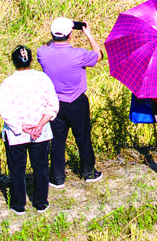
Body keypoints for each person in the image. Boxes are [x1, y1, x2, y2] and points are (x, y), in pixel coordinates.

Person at [37, 18, 103, 187]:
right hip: (77, 102)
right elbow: (99, 56)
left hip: (54, 103)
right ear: (71, 35)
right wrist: (88, 35)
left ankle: (58, 178)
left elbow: (48, 45)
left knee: (57, 140)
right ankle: (88, 172)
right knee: (83, 137)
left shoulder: (42, 53)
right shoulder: (79, 55)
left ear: (52, 34)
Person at [0, 46, 59, 215]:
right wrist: (40, 125)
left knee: (17, 170)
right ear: (31, 60)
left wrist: (22, 127)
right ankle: (41, 202)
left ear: (13, 62)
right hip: (41, 132)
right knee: (40, 168)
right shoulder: (43, 79)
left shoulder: (7, 83)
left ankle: (18, 205)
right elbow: (52, 105)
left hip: (16, 134)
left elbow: (5, 111)